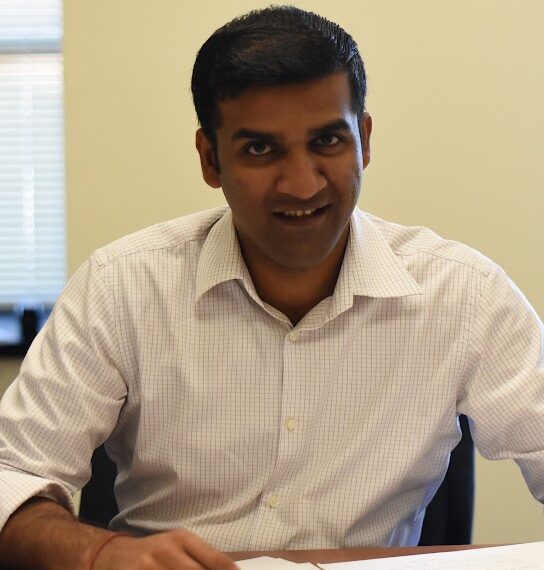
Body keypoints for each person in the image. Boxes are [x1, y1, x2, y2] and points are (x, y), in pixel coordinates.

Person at [0, 4, 543, 569]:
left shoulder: (465, 293)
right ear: (211, 159)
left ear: (364, 140)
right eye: (261, 149)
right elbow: (11, 478)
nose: (302, 184)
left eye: (328, 141)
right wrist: (103, 555)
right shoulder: (122, 287)